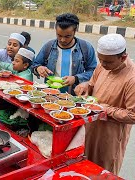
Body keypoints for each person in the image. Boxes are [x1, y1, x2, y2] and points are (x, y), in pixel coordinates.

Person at [74, 34, 135, 175]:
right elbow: (93, 82)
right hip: (90, 126)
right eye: (100, 59)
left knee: (103, 170)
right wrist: (86, 86)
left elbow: (133, 115)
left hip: (110, 134)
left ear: (123, 57)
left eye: (107, 62)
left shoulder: (132, 79)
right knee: (83, 165)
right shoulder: (103, 65)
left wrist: (105, 109)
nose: (102, 64)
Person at [32, 13, 97, 94]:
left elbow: (94, 72)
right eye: (59, 35)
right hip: (50, 95)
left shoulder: (86, 48)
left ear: (75, 31)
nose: (62, 40)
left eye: (67, 36)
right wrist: (38, 68)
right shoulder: (49, 46)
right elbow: (35, 65)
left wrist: (76, 78)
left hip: (74, 96)